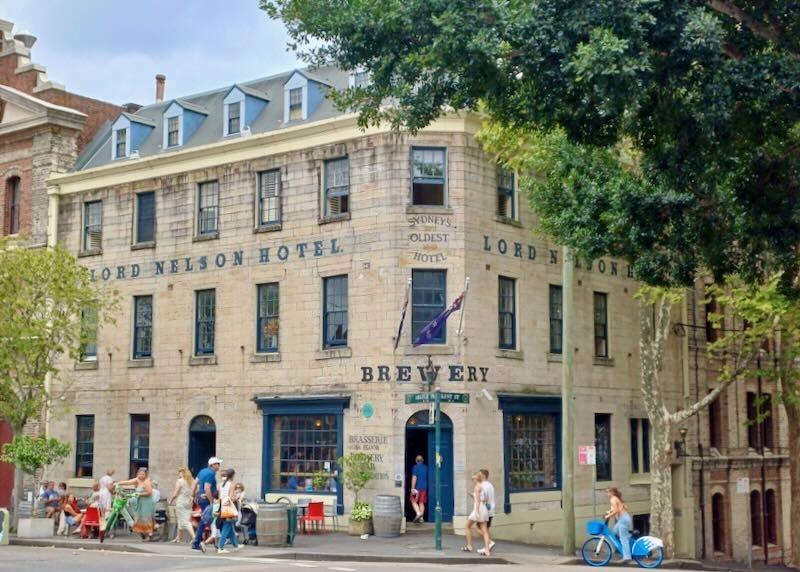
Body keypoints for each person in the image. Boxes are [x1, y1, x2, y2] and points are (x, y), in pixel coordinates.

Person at [117, 467, 156, 541]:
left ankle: (150, 535)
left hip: (146, 502)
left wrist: (138, 494)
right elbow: (128, 482)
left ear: (146, 475)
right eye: (139, 474)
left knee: (146, 518)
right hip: (140, 502)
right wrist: (118, 483)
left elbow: (149, 492)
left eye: (143, 474)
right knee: (140, 518)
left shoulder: (147, 482)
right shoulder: (138, 480)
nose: (141, 475)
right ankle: (145, 535)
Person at [192, 456, 222, 552]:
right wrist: (211, 501)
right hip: (206, 500)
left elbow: (194, 483)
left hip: (201, 499)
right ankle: (197, 543)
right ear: (212, 465)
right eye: (217, 464)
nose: (219, 466)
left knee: (205, 520)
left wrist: (193, 496)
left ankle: (202, 541)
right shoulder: (210, 474)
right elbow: (207, 488)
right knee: (205, 521)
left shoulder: (202, 471)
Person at [462, 473, 491, 556]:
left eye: (473, 479)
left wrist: (477, 512)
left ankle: (470, 546)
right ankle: (487, 550)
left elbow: (477, 501)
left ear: (476, 480)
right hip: (484, 508)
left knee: (467, 526)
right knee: (484, 530)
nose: (472, 481)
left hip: (479, 509)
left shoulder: (477, 487)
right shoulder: (483, 487)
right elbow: (484, 499)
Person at [216, 468, 241, 554]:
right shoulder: (232, 484)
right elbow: (230, 498)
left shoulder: (221, 484)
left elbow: (219, 497)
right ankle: (220, 547)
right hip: (228, 506)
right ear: (233, 475)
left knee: (230, 526)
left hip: (221, 504)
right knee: (227, 526)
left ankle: (236, 545)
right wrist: (236, 497)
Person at [605, 487, 632, 563]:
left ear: (612, 493)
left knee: (623, 539)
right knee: (614, 533)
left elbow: (616, 510)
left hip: (623, 519)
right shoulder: (617, 498)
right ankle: (625, 546)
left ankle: (627, 557)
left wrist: (608, 516)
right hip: (623, 519)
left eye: (608, 492)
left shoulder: (613, 499)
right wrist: (609, 512)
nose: (607, 494)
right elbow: (621, 508)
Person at [169, 467, 195, 543]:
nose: (179, 474)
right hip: (189, 502)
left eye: (179, 473)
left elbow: (176, 493)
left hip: (181, 501)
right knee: (181, 519)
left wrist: (171, 500)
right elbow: (196, 491)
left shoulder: (180, 481)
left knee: (185, 521)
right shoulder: (192, 481)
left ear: (182, 473)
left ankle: (194, 536)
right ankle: (178, 537)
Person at [477, 469, 496, 555]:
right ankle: (486, 547)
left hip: (485, 510)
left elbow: (483, 498)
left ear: (484, 476)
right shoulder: (490, 485)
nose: (479, 476)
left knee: (478, 529)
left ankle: (489, 543)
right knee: (486, 530)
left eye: (480, 475)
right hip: (491, 510)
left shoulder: (483, 486)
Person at [410, 454, 428, 523]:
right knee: (421, 502)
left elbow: (414, 478)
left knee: (413, 501)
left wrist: (412, 488)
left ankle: (418, 513)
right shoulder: (426, 467)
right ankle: (421, 518)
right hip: (424, 487)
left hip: (417, 488)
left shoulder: (415, 467)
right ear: (422, 460)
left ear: (416, 461)